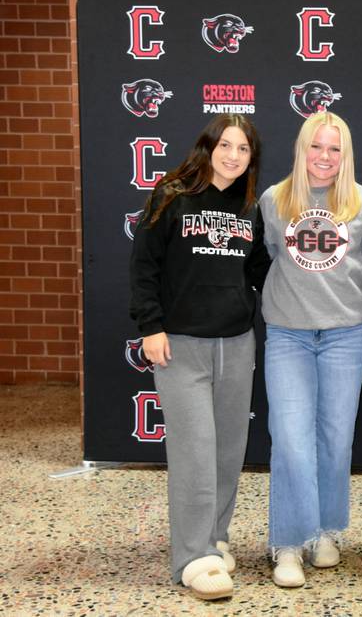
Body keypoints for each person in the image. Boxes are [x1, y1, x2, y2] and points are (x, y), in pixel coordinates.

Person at [129, 113, 270, 600]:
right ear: (207, 146)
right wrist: (151, 327)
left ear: (252, 158)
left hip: (235, 343)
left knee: (228, 451)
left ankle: (215, 537)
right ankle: (193, 557)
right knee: (193, 453)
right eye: (226, 145)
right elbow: (144, 265)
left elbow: (259, 270)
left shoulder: (249, 207)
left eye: (244, 149)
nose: (233, 155)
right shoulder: (171, 195)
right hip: (180, 346)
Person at [260, 111, 362, 588]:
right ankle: (287, 542)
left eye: (335, 148)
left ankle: (325, 531)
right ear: (301, 148)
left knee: (335, 439)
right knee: (290, 439)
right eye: (316, 146)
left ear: (345, 154)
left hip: (345, 336)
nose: (325, 157)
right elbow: (271, 254)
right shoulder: (274, 200)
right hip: (288, 333)